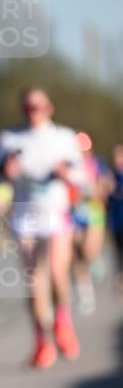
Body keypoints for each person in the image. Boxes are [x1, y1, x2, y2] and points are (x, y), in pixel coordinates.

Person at [0, 88, 84, 369]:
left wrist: (66, 174)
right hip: (25, 216)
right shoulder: (9, 139)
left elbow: (83, 178)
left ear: (49, 108)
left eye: (39, 106)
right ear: (23, 109)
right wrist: (6, 175)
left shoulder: (65, 138)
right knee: (35, 283)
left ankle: (62, 322)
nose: (34, 111)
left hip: (55, 213)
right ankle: (42, 342)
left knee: (57, 273)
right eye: (29, 107)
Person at [71, 131, 113, 314]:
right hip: (74, 212)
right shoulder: (69, 165)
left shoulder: (97, 163)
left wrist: (99, 189)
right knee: (76, 256)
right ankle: (85, 293)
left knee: (89, 249)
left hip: (94, 211)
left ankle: (95, 259)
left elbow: (107, 184)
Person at [107, 143, 123, 293]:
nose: (118, 160)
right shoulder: (110, 176)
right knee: (118, 251)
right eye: (115, 157)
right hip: (116, 220)